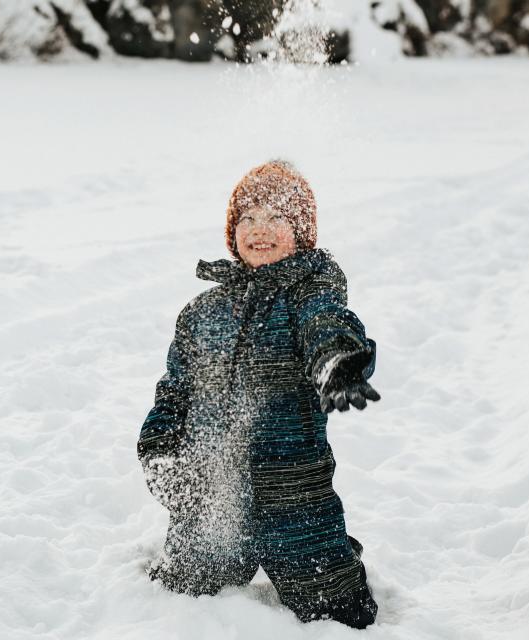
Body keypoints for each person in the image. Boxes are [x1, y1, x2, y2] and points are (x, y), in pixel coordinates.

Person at [137, 160, 381, 629]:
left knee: (338, 611)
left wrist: (336, 361)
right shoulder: (200, 313)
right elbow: (173, 392)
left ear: (301, 232)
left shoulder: (310, 292)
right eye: (247, 219)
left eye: (276, 218)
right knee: (184, 593)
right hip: (215, 495)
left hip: (294, 493)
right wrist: (160, 448)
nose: (259, 229)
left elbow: (326, 326)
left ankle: (334, 557)